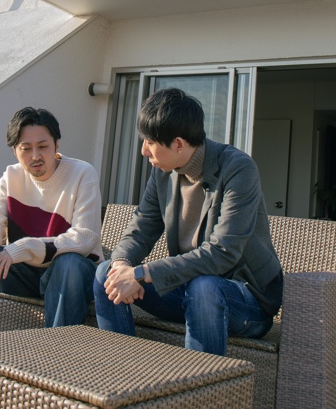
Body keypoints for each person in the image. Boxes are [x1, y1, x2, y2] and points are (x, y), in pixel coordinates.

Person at [93, 88, 283, 355]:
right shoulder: (162, 172)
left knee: (204, 288)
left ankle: (197, 389)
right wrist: (122, 266)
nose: (143, 151)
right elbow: (141, 227)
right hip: (188, 289)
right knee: (106, 274)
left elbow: (222, 253)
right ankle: (123, 373)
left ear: (178, 144)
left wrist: (141, 274)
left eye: (149, 141)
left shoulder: (238, 168)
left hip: (246, 298)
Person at [0, 106, 103, 336]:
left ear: (57, 144)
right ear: (14, 151)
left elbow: (85, 238)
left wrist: (21, 248)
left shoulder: (82, 173)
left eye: (43, 146)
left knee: (68, 264)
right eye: (26, 149)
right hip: (27, 274)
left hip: (74, 276)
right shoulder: (12, 176)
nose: (36, 156)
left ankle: (55, 355)